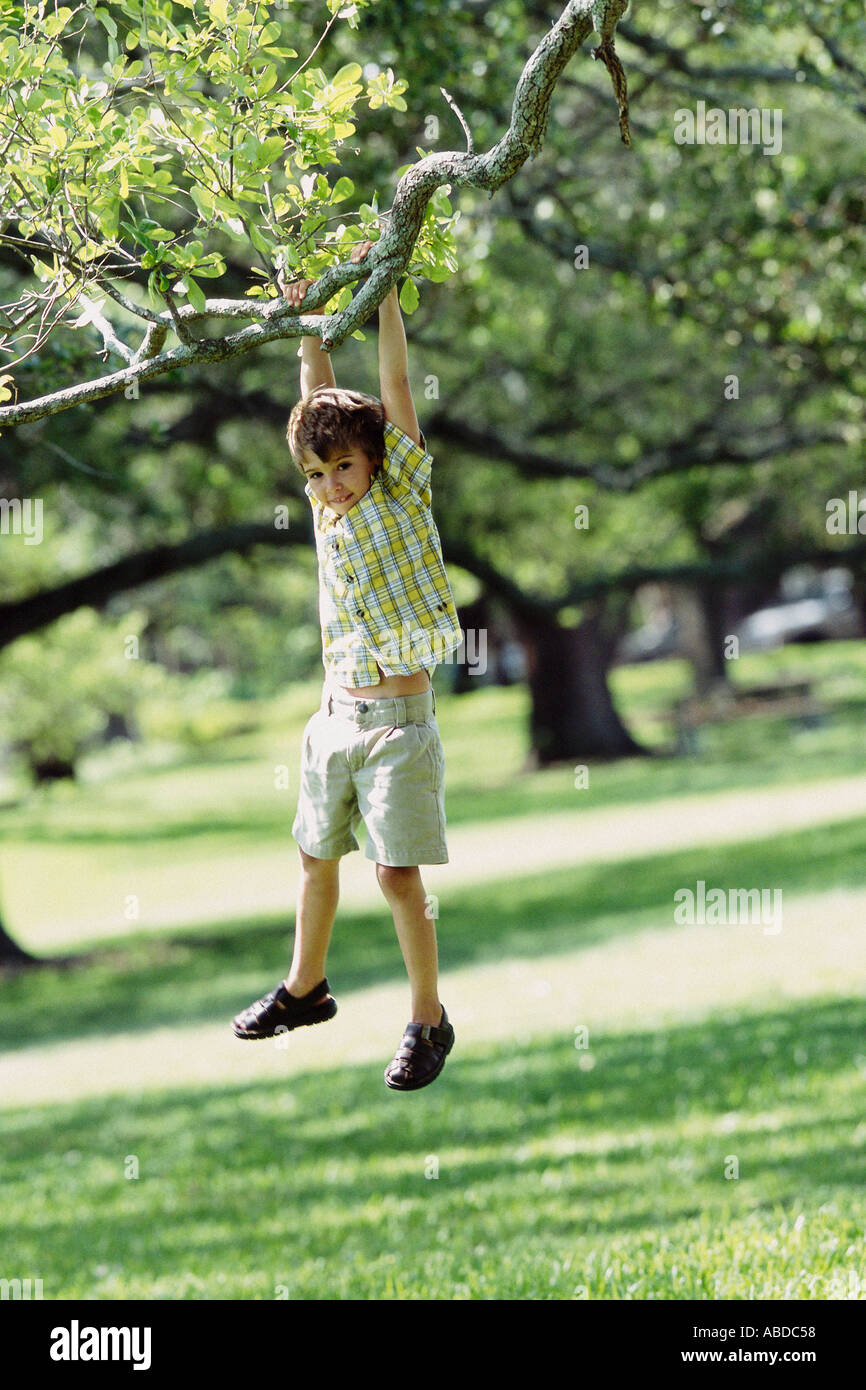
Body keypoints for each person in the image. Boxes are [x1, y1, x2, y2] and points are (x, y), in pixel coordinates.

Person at [231, 240, 463, 1091]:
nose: (331, 484)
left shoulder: (401, 492)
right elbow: (316, 404)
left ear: (375, 460)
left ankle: (427, 1021)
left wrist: (387, 298)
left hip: (399, 730)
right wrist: (307, 331)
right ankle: (306, 987)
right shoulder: (326, 512)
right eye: (318, 474)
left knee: (396, 876)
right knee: (313, 858)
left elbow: (392, 393)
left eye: (343, 468)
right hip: (334, 720)